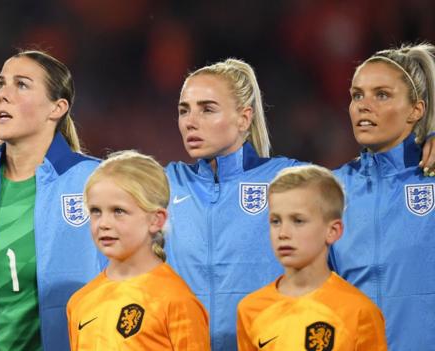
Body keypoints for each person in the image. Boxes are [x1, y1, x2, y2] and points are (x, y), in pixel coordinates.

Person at [0, 49, 104, 351]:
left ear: (57, 108)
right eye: (0, 84)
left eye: (21, 84)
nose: (3, 95)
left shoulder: (94, 180)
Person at [164, 58, 301, 350]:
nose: (190, 121)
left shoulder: (288, 179)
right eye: (184, 110)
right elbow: (99, 183)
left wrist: (421, 144)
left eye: (207, 109)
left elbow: (370, 184)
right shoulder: (166, 183)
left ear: (244, 118)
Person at [330, 43, 435, 349]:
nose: (364, 105)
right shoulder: (331, 191)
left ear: (416, 110)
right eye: (356, 95)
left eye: (382, 94)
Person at [67, 150, 210, 350]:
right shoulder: (80, 301)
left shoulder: (176, 300)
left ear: (156, 220)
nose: (103, 224)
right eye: (96, 211)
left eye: (118, 211)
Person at [237, 165, 387, 351]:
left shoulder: (359, 311)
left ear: (333, 231)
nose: (283, 233)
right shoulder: (250, 308)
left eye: (298, 221)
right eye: (275, 221)